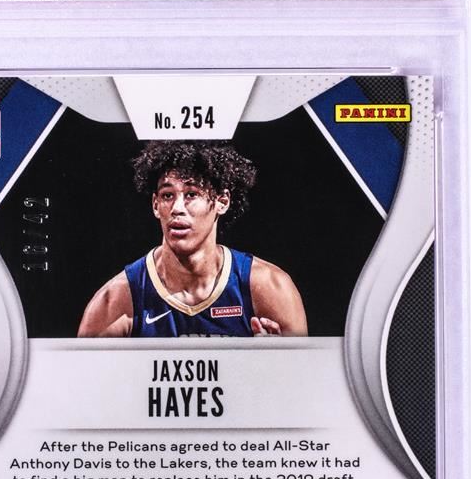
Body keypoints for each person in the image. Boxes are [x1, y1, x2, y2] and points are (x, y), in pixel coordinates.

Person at [77, 140, 307, 337]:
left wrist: (272, 362)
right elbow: (87, 376)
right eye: (168, 195)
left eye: (191, 194)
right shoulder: (116, 301)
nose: (177, 208)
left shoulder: (269, 288)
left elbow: (302, 375)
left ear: (222, 202)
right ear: (155, 205)